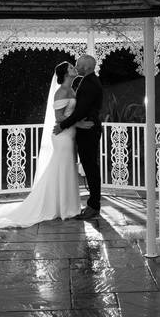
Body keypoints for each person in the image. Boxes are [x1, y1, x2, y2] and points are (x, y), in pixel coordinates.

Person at [0, 61, 93, 228]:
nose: (74, 68)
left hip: (70, 135)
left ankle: (66, 206)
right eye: (70, 67)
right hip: (62, 136)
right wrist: (79, 124)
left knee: (65, 168)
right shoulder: (61, 92)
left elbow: (72, 113)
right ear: (65, 74)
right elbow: (59, 118)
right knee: (64, 168)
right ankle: (63, 207)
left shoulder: (72, 89)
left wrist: (80, 120)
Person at [53, 54, 103, 220]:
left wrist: (63, 125)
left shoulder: (90, 83)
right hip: (79, 131)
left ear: (86, 67)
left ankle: (94, 205)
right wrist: (73, 125)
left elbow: (81, 111)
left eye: (78, 65)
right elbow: (75, 111)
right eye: (74, 66)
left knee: (91, 168)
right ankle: (74, 203)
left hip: (88, 131)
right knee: (88, 168)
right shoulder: (84, 82)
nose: (76, 66)